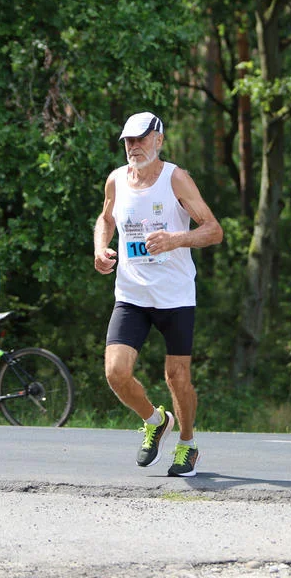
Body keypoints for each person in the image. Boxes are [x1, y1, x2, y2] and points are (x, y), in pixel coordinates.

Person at [93, 111, 223, 477]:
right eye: (128, 141)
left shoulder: (176, 179)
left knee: (176, 377)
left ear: (159, 140)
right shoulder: (116, 180)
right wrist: (101, 249)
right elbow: (105, 219)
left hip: (175, 296)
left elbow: (214, 230)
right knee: (116, 372)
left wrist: (176, 239)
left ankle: (187, 444)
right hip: (132, 295)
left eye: (141, 139)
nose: (133, 147)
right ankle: (154, 420)